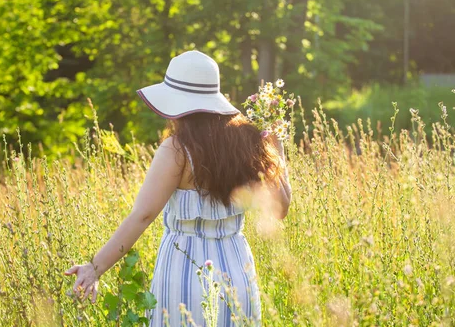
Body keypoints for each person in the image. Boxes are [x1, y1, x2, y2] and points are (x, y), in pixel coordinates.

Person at [65, 50, 291, 326]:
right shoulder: (248, 143)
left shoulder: (177, 150)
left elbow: (143, 216)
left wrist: (94, 268)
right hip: (237, 273)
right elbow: (280, 208)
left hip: (184, 274)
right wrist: (277, 152)